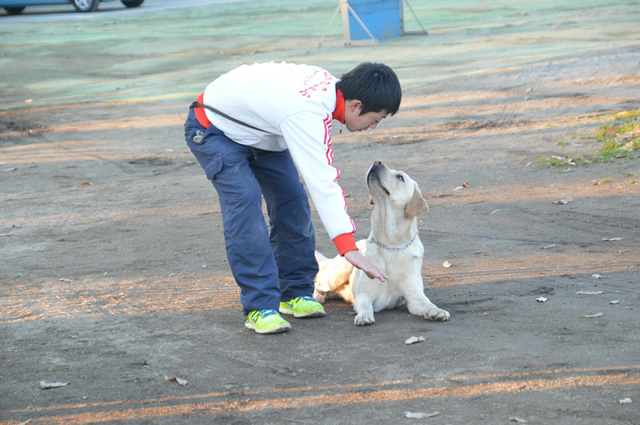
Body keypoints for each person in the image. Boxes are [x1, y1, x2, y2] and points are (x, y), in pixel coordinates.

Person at [184, 61, 401, 334]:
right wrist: (349, 249)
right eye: (375, 119)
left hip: (261, 134)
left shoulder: (333, 94)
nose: (373, 127)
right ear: (356, 105)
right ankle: (260, 306)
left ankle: (294, 292)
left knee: (292, 200)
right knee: (245, 205)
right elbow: (322, 180)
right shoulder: (307, 111)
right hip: (214, 128)